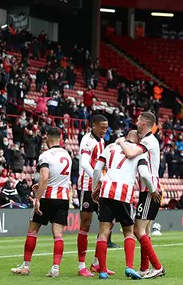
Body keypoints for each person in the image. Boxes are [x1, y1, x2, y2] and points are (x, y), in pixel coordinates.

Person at [91, 130, 160, 280]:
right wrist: (153, 190)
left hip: (106, 191)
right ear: (137, 141)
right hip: (124, 193)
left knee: (103, 232)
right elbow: (144, 174)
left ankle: (102, 270)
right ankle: (129, 267)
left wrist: (95, 187)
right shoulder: (138, 153)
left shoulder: (110, 147)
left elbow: (97, 169)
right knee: (128, 232)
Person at [11, 127, 71, 278]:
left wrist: (37, 198)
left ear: (47, 138)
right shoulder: (67, 155)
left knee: (32, 231)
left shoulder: (46, 155)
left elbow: (44, 177)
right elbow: (59, 178)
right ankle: (55, 268)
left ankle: (25, 266)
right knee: (58, 235)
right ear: (60, 138)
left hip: (47, 198)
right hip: (63, 198)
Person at [115, 111, 165, 278]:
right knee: (145, 231)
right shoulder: (150, 140)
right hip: (150, 189)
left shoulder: (148, 141)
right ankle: (144, 268)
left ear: (144, 123)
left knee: (138, 230)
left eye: (138, 120)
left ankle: (157, 267)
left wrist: (121, 141)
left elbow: (130, 154)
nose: (136, 122)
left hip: (150, 190)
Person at [76, 115, 115, 278]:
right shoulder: (88, 140)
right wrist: (97, 179)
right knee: (86, 223)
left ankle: (96, 263)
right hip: (86, 187)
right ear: (93, 126)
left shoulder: (101, 141)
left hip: (99, 188)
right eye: (102, 127)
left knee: (109, 222)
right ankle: (82, 266)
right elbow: (84, 163)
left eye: (107, 127)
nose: (105, 130)